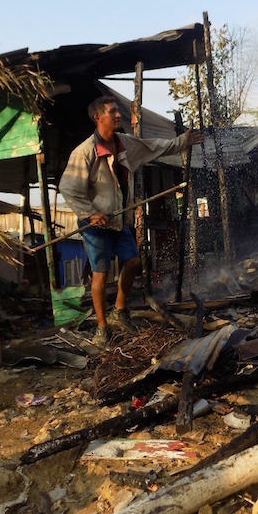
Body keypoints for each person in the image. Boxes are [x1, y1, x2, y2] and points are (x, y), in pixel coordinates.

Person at [58, 95, 204, 348]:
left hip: (118, 220)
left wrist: (183, 142)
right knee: (100, 274)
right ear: (98, 117)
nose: (118, 115)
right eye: (113, 112)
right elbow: (69, 189)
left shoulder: (124, 143)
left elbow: (154, 147)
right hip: (94, 224)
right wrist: (91, 213)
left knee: (133, 261)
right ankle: (102, 328)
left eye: (118, 111)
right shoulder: (84, 152)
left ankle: (119, 311)